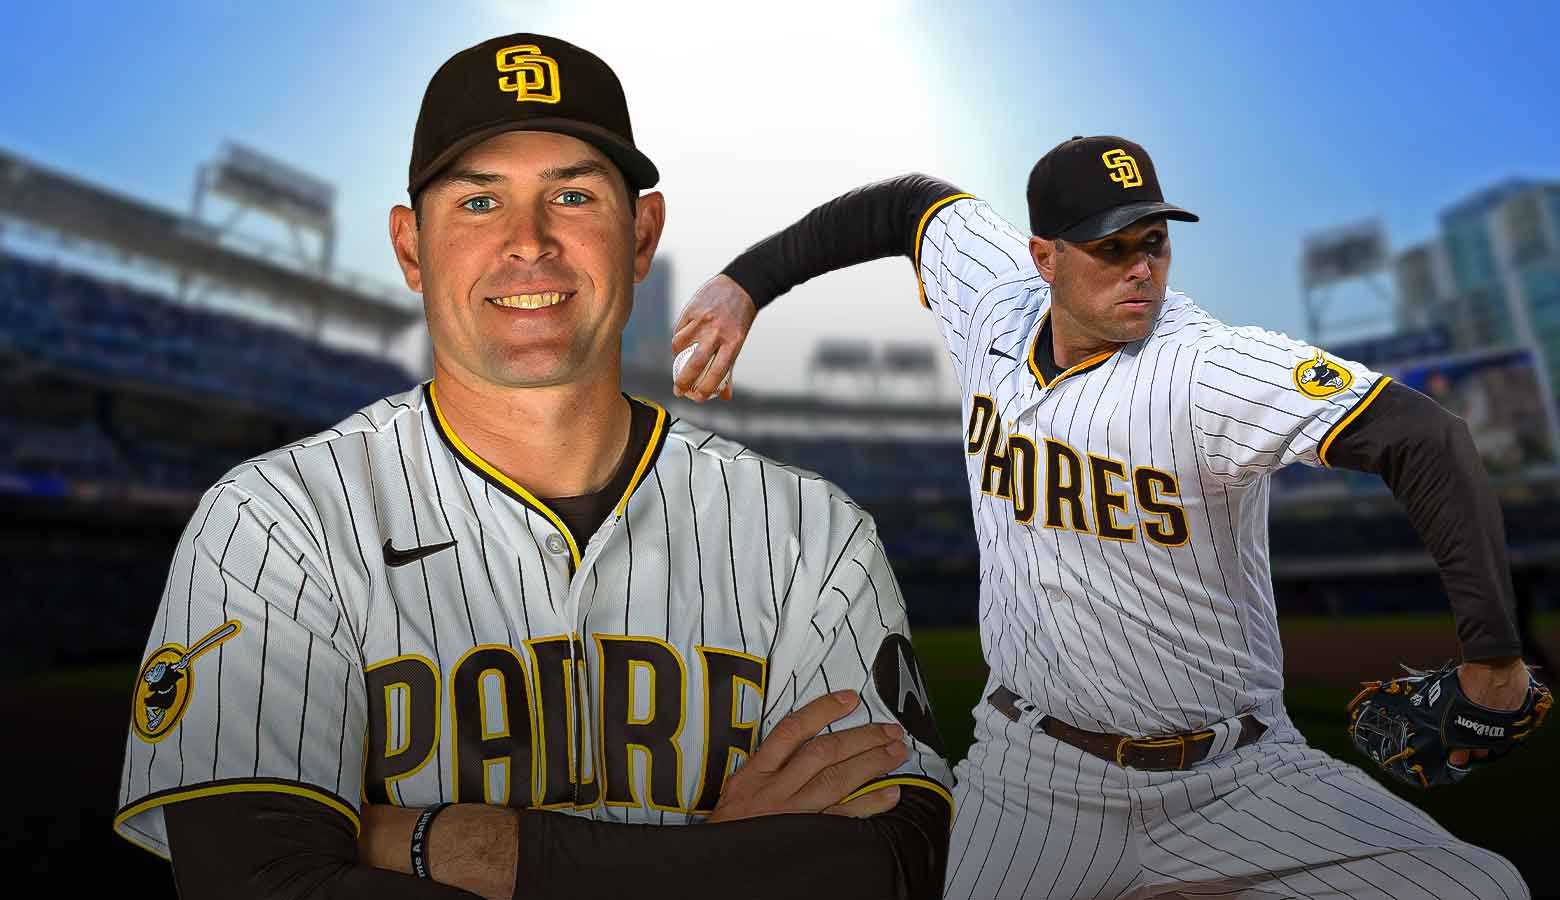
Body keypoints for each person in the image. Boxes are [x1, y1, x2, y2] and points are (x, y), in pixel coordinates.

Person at [114, 33, 951, 900]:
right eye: (478, 204)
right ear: (410, 248)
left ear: (641, 234)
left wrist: (444, 844)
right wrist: (721, 860)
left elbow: (891, 866)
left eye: (574, 195)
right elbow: (256, 880)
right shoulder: (273, 519)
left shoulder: (813, 531)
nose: (529, 241)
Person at [672, 135, 1542, 899]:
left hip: (1238, 776)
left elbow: (1424, 438)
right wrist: (748, 283)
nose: (1141, 270)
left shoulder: (1207, 370)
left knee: (1482, 887)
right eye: (1110, 247)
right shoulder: (993, 295)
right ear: (1044, 258)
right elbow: (905, 206)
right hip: (1032, 777)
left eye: (1155, 244)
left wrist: (1495, 663)